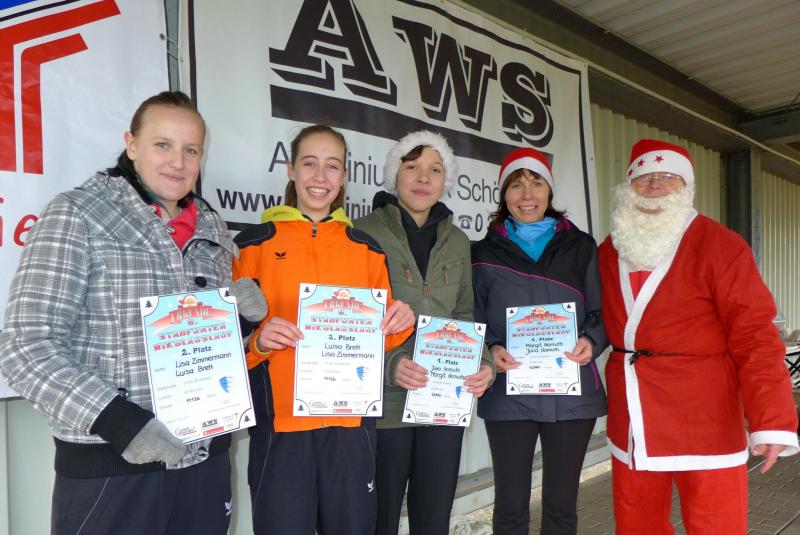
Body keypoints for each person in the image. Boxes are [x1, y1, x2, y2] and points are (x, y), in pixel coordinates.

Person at [0, 91, 266, 534]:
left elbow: (196, 343)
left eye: (191, 150)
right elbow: (24, 346)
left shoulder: (211, 224)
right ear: (132, 144)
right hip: (112, 468)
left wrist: (237, 324)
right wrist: (120, 421)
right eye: (163, 145)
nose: (177, 162)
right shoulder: (79, 214)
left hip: (205, 461)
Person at [598, 138, 800, 534]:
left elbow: (755, 336)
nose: (655, 186)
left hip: (704, 415)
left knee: (716, 524)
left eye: (668, 177)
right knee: (636, 523)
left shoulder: (721, 246)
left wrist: (772, 419)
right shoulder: (609, 249)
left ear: (687, 187)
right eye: (645, 178)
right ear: (628, 186)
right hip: (634, 416)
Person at [232, 124, 415, 535]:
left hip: (350, 427)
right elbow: (226, 341)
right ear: (291, 169)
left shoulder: (366, 249)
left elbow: (381, 335)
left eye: (332, 166)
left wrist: (400, 323)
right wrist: (258, 341)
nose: (320, 177)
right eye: (309, 163)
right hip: (280, 426)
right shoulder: (252, 244)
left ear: (345, 175)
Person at [353, 130, 495, 534]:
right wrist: (390, 364)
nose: (423, 178)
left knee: (433, 517)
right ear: (393, 174)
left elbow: (464, 312)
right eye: (412, 166)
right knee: (378, 518)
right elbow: (352, 319)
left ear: (445, 180)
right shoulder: (361, 233)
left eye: (435, 170)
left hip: (444, 401)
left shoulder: (458, 241)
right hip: (385, 405)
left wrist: (484, 364)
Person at [472, 147, 608, 535]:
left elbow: (603, 311)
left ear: (549, 190)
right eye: (516, 185)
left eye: (536, 183)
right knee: (511, 505)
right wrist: (492, 349)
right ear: (504, 194)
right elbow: (474, 317)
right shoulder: (482, 253)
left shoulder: (581, 247)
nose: (527, 195)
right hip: (508, 393)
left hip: (571, 393)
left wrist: (591, 340)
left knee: (562, 505)